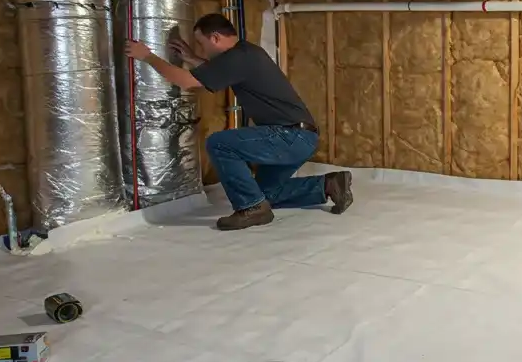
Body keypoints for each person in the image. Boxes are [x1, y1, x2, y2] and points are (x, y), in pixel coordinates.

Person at [123, 13, 352, 230]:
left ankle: (251, 208)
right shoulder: (246, 53)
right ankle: (328, 185)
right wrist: (193, 58)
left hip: (289, 137)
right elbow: (217, 71)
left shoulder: (238, 57)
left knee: (219, 143)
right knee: (263, 192)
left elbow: (185, 81)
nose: (203, 49)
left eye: (203, 44)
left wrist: (147, 56)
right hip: (301, 137)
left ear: (215, 38)